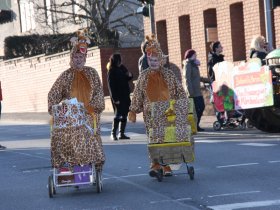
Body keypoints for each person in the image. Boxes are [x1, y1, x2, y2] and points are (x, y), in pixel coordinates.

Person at [128, 34, 188, 177]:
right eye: (150, 60)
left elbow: (179, 91)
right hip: (151, 115)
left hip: (169, 113)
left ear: (160, 60)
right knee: (153, 140)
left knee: (167, 139)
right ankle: (155, 165)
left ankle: (167, 165)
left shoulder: (169, 75)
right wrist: (133, 110)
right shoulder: (143, 76)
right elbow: (137, 94)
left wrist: (183, 105)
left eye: (155, 60)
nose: (153, 62)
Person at [48, 29, 105, 171]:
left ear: (85, 58)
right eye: (75, 57)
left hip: (89, 114)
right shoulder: (65, 76)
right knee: (68, 138)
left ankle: (93, 165)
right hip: (71, 115)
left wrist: (93, 107)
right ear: (71, 58)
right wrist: (55, 110)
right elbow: (54, 94)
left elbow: (98, 92)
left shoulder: (92, 73)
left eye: (81, 57)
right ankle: (74, 166)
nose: (78, 60)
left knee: (89, 137)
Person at [107, 53, 133, 140]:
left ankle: (121, 134)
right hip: (117, 97)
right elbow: (111, 86)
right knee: (118, 115)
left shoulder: (122, 68)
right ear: (116, 60)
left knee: (124, 114)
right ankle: (113, 133)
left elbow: (127, 77)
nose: (121, 61)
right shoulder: (111, 70)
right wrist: (115, 98)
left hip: (125, 95)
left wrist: (130, 75)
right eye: (119, 60)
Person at [184, 49, 205, 131]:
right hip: (192, 92)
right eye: (194, 55)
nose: (196, 57)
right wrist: (190, 92)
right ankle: (194, 125)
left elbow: (197, 77)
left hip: (197, 91)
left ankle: (196, 125)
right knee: (196, 109)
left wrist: (207, 80)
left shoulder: (194, 65)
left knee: (201, 107)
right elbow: (187, 79)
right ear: (190, 56)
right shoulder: (188, 65)